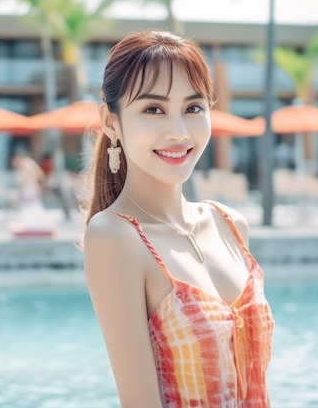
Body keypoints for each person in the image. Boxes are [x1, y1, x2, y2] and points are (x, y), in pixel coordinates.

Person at [82, 30, 275, 408]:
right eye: (153, 109)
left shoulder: (230, 225)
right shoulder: (115, 237)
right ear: (110, 121)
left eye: (193, 108)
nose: (179, 132)